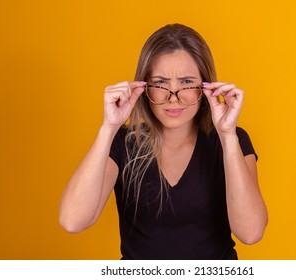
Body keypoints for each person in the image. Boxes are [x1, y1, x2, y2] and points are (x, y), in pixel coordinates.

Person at [59, 23, 268, 260]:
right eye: (160, 83)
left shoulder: (232, 139)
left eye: (187, 82)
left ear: (206, 86)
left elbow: (251, 233)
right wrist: (109, 128)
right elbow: (72, 221)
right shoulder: (123, 143)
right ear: (144, 86)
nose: (173, 98)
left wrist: (227, 135)